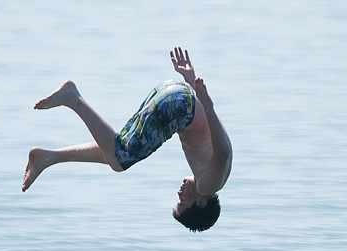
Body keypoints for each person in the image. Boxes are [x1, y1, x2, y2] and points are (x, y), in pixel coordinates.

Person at [22, 47, 232, 232]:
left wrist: (191, 81)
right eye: (182, 200)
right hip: (179, 108)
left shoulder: (213, 176)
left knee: (117, 148)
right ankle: (73, 98)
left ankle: (47, 157)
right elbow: (223, 152)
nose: (179, 192)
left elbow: (218, 141)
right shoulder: (209, 186)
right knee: (119, 159)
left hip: (178, 95)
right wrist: (209, 106)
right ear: (201, 204)